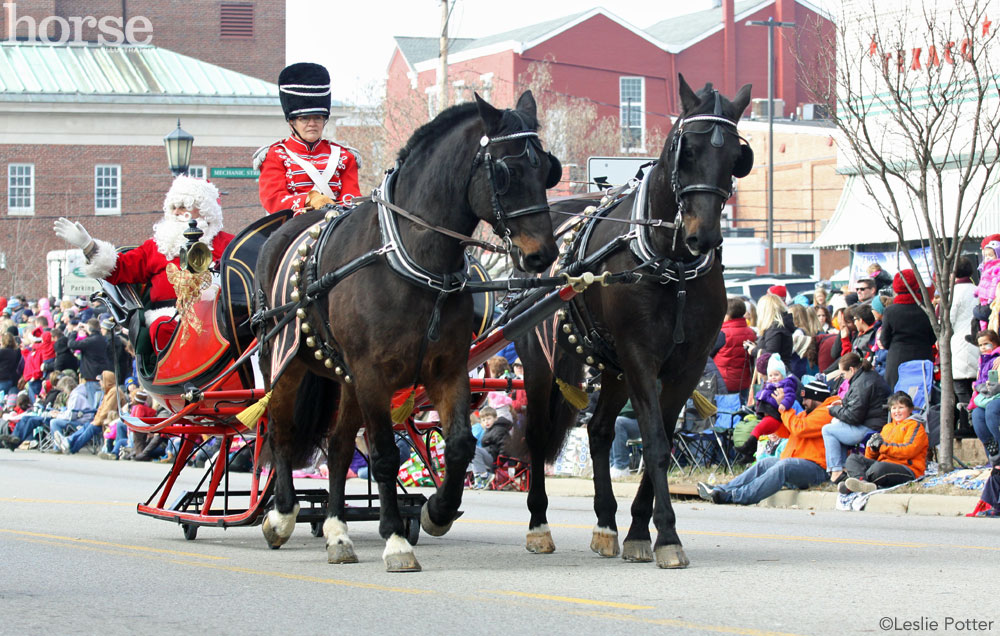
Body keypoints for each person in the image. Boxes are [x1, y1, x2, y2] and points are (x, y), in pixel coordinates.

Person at [54, 176, 235, 352]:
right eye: (173, 207)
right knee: (162, 328)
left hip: (219, 316)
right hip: (169, 318)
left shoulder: (228, 245)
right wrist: (89, 246)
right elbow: (120, 268)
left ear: (205, 211)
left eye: (184, 206)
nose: (177, 212)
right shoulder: (156, 247)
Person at [697, 377, 838, 505]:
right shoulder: (806, 414)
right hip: (799, 464)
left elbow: (800, 428)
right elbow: (787, 432)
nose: (803, 402)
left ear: (816, 398)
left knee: (784, 465)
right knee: (765, 463)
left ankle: (735, 496)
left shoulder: (826, 412)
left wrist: (785, 409)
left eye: (806, 399)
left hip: (817, 469)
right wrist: (773, 412)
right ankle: (720, 490)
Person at [255, 62, 361, 215]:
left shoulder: (344, 156)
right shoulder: (276, 155)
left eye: (317, 118)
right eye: (305, 118)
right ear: (292, 121)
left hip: (336, 224)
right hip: (292, 226)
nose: (312, 124)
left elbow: (351, 199)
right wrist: (309, 199)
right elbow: (273, 199)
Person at [822, 352, 891, 483]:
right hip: (873, 422)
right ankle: (841, 470)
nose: (844, 378)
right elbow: (861, 404)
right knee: (835, 427)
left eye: (843, 374)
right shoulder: (866, 377)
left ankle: (836, 471)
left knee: (828, 430)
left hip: (869, 427)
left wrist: (834, 410)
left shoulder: (861, 383)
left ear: (852, 369)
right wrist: (843, 403)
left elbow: (853, 416)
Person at [841, 391, 928, 494]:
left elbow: (909, 450)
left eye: (901, 407)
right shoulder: (887, 427)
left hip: (907, 468)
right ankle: (862, 482)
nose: (897, 411)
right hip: (883, 465)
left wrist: (882, 447)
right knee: (853, 458)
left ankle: (853, 485)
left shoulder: (915, 426)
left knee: (879, 468)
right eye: (894, 408)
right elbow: (870, 458)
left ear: (910, 409)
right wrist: (873, 448)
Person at [734, 353, 798, 461]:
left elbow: (790, 396)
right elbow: (761, 397)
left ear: (783, 375)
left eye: (777, 375)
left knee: (758, 429)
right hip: (767, 414)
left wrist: (783, 404)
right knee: (757, 430)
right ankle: (749, 454)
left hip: (775, 417)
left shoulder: (785, 385)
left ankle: (748, 448)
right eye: (771, 375)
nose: (773, 378)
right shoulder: (769, 386)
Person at [880, 269, 937, 389]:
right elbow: (933, 337)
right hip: (923, 357)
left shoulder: (890, 311)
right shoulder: (927, 308)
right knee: (923, 395)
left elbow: (885, 341)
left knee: (897, 397)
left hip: (897, 359)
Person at [52, 370, 123, 455]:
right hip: (105, 420)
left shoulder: (114, 392)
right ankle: (69, 442)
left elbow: (107, 411)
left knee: (91, 428)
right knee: (88, 425)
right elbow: (101, 410)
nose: (99, 383)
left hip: (113, 420)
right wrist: (96, 420)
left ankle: (71, 448)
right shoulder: (108, 391)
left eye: (101, 380)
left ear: (107, 381)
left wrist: (96, 422)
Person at [951, 258, 980, 436]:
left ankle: (967, 424)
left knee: (961, 386)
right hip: (978, 341)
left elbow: (947, 320)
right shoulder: (977, 290)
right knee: (977, 385)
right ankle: (975, 421)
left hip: (959, 342)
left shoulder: (954, 293)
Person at [714, 297, 756, 400]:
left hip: (724, 382)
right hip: (744, 382)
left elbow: (710, 355)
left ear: (728, 315)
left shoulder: (722, 333)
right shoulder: (751, 332)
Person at [66, 319, 112, 407]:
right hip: (101, 374)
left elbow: (72, 344)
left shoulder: (91, 341)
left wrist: (74, 331)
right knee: (100, 401)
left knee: (93, 403)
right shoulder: (102, 339)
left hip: (92, 376)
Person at [970, 330, 1000, 460]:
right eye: (980, 345)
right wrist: (977, 385)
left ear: (995, 343)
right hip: (988, 395)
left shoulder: (997, 356)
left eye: (986, 344)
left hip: (996, 395)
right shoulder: (983, 360)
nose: (983, 347)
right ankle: (993, 455)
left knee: (991, 410)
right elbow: (982, 381)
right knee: (977, 415)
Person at [745, 293, 794, 370]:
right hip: (781, 370)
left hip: (775, 372)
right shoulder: (781, 325)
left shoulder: (775, 327)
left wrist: (754, 350)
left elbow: (771, 353)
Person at [974, 234, 1000, 330]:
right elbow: (982, 284)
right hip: (984, 300)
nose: (987, 257)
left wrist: (990, 301)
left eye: (991, 255)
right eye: (985, 255)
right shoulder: (984, 268)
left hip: (991, 303)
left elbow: (994, 285)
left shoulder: (996, 269)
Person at [610, 399, 639, 479]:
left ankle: (621, 467)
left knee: (618, 422)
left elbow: (632, 409)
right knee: (607, 423)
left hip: (644, 423)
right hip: (627, 420)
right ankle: (612, 465)